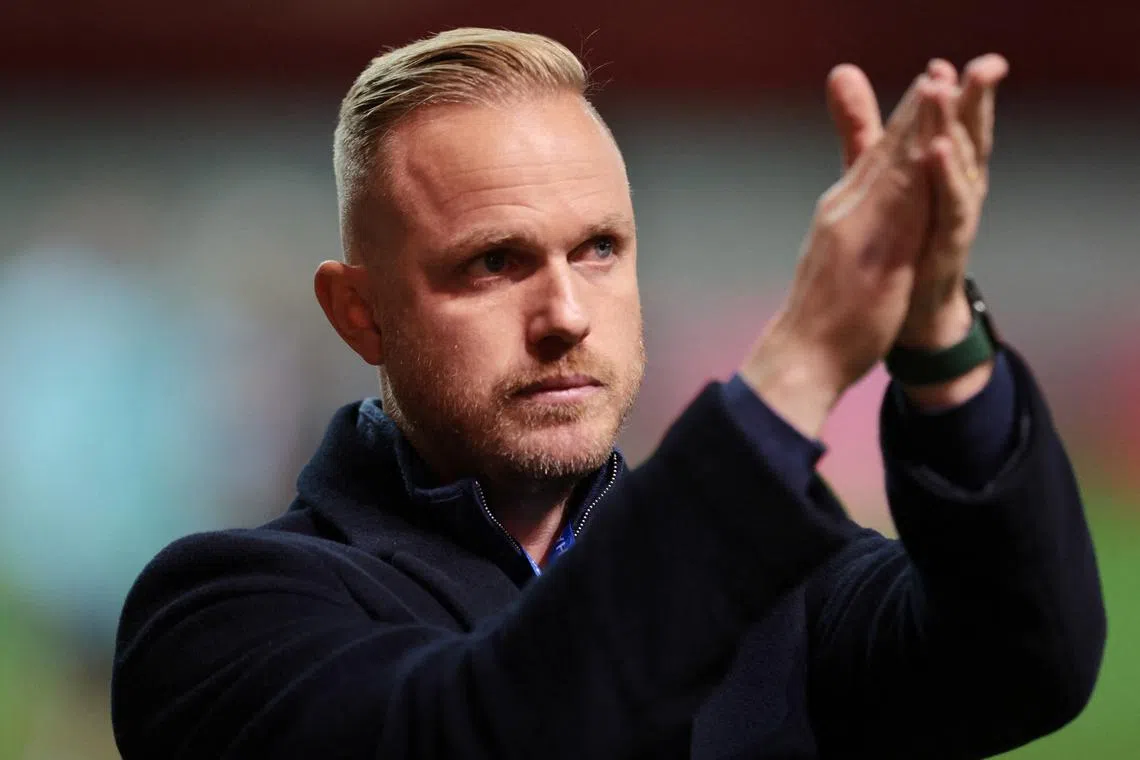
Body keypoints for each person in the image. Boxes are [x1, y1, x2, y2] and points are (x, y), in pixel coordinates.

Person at [110, 28, 1106, 759]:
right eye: (495, 262)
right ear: (357, 314)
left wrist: (935, 331)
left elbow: (1027, 663)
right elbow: (487, 729)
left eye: (599, 249)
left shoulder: (781, 580)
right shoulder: (220, 616)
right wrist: (800, 361)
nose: (565, 313)